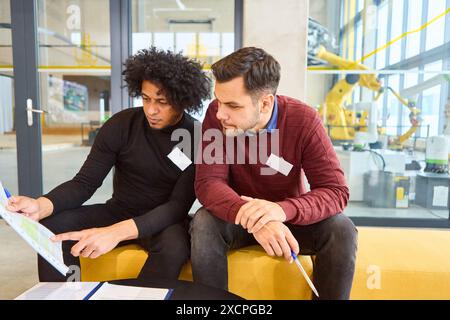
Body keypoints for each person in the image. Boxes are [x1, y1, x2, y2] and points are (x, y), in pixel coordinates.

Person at [7, 47, 211, 282]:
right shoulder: (122, 124)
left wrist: (116, 233)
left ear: (183, 100)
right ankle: (65, 295)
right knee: (52, 227)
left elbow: (177, 207)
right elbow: (84, 183)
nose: (151, 110)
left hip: (162, 221)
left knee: (174, 247)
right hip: (118, 210)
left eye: (162, 102)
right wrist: (41, 205)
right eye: (146, 99)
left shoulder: (198, 137)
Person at [190, 47, 358, 300]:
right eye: (219, 100)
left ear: (266, 102)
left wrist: (280, 211)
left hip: (290, 219)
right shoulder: (217, 117)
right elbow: (208, 182)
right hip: (237, 218)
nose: (220, 113)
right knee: (203, 222)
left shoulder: (304, 120)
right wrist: (257, 219)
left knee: (342, 228)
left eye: (233, 105)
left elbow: (335, 191)